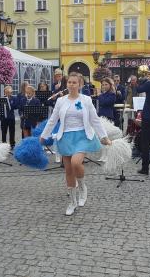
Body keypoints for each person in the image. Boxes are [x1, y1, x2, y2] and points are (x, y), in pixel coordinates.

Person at [39, 72, 111, 216]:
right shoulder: (61, 101)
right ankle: (72, 202)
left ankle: (83, 187)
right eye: (69, 82)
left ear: (80, 84)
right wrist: (44, 135)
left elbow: (94, 119)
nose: (71, 85)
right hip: (65, 137)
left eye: (74, 82)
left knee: (76, 163)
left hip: (82, 135)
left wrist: (104, 136)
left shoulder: (86, 100)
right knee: (68, 171)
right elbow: (53, 120)